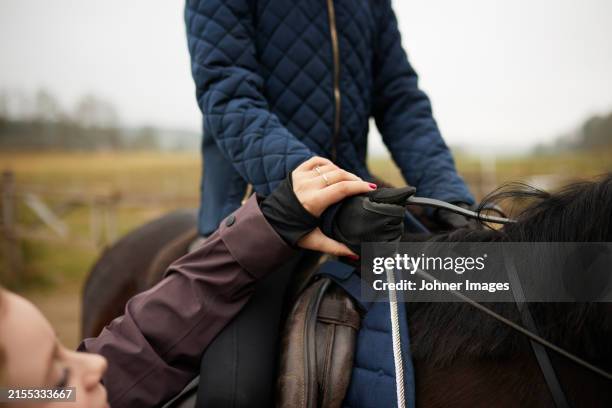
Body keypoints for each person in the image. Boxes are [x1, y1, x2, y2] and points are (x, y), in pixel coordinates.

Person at [1, 157, 402, 408]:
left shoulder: (61, 392)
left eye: (63, 349)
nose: (93, 363)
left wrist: (273, 222)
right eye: (57, 377)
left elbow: (150, 341)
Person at [185, 0, 475, 238]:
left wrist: (449, 198)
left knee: (486, 276)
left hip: (352, 203)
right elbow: (230, 98)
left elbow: (400, 101)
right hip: (256, 205)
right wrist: (322, 189)